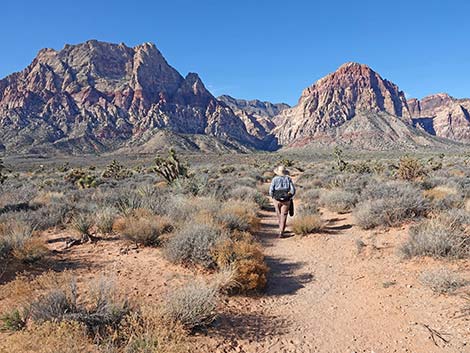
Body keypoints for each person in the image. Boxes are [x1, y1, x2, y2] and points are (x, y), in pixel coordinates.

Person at [269, 165, 296, 238]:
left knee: (279, 214)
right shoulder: (288, 179)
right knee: (284, 215)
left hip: (276, 199)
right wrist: (290, 196)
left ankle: (280, 227)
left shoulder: (275, 179)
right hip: (286, 199)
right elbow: (293, 190)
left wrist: (273, 197)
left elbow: (271, 190)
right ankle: (281, 231)